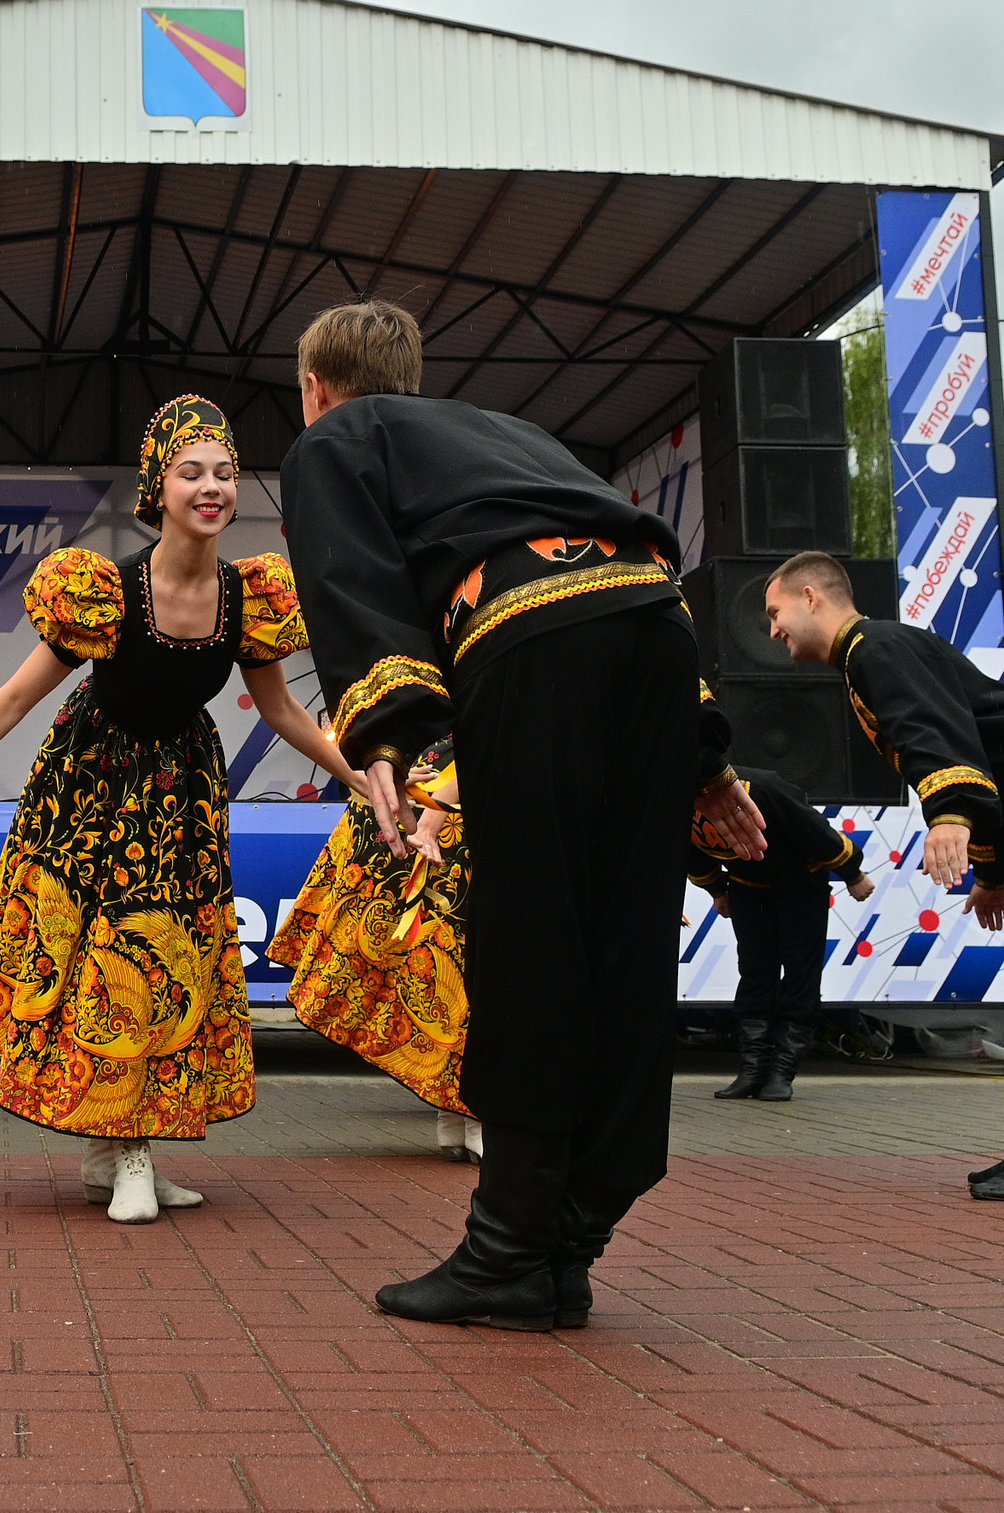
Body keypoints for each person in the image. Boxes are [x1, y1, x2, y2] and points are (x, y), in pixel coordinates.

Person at [281, 300, 767, 1333]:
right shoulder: (513, 435)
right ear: (412, 376)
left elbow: (345, 576)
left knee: (529, 941)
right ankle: (569, 1246)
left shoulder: (338, 435)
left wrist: (383, 732)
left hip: (531, 639)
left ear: (316, 387)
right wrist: (705, 760)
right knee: (625, 944)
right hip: (653, 630)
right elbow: (627, 570)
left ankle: (507, 1250)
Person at [0, 395, 362, 1224]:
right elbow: (19, 693)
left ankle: (121, 1151)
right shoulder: (102, 589)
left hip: (182, 798)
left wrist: (365, 772)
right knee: (110, 959)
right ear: (157, 486)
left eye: (225, 473)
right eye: (191, 472)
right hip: (94, 789)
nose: (212, 488)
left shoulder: (251, 598)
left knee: (170, 963)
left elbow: (282, 712)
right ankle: (126, 1151)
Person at [763, 550, 1004, 1202]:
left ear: (812, 595)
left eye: (775, 612)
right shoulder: (876, 650)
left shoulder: (872, 647)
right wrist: (994, 872)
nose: (772, 629)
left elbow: (936, 731)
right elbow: (982, 733)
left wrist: (951, 812)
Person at [270, 749, 480, 1161]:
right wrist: (433, 817)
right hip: (438, 811)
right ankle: (468, 1113)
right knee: (459, 963)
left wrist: (371, 770)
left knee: (441, 966)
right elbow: (492, 730)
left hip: (413, 799)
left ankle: (459, 1111)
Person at [690, 764, 876, 1102]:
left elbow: (812, 828)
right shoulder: (673, 799)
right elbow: (692, 852)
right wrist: (718, 890)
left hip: (800, 882)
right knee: (754, 972)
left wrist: (852, 873)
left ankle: (781, 1072)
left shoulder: (758, 788)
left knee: (799, 971)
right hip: (747, 884)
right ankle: (751, 1071)